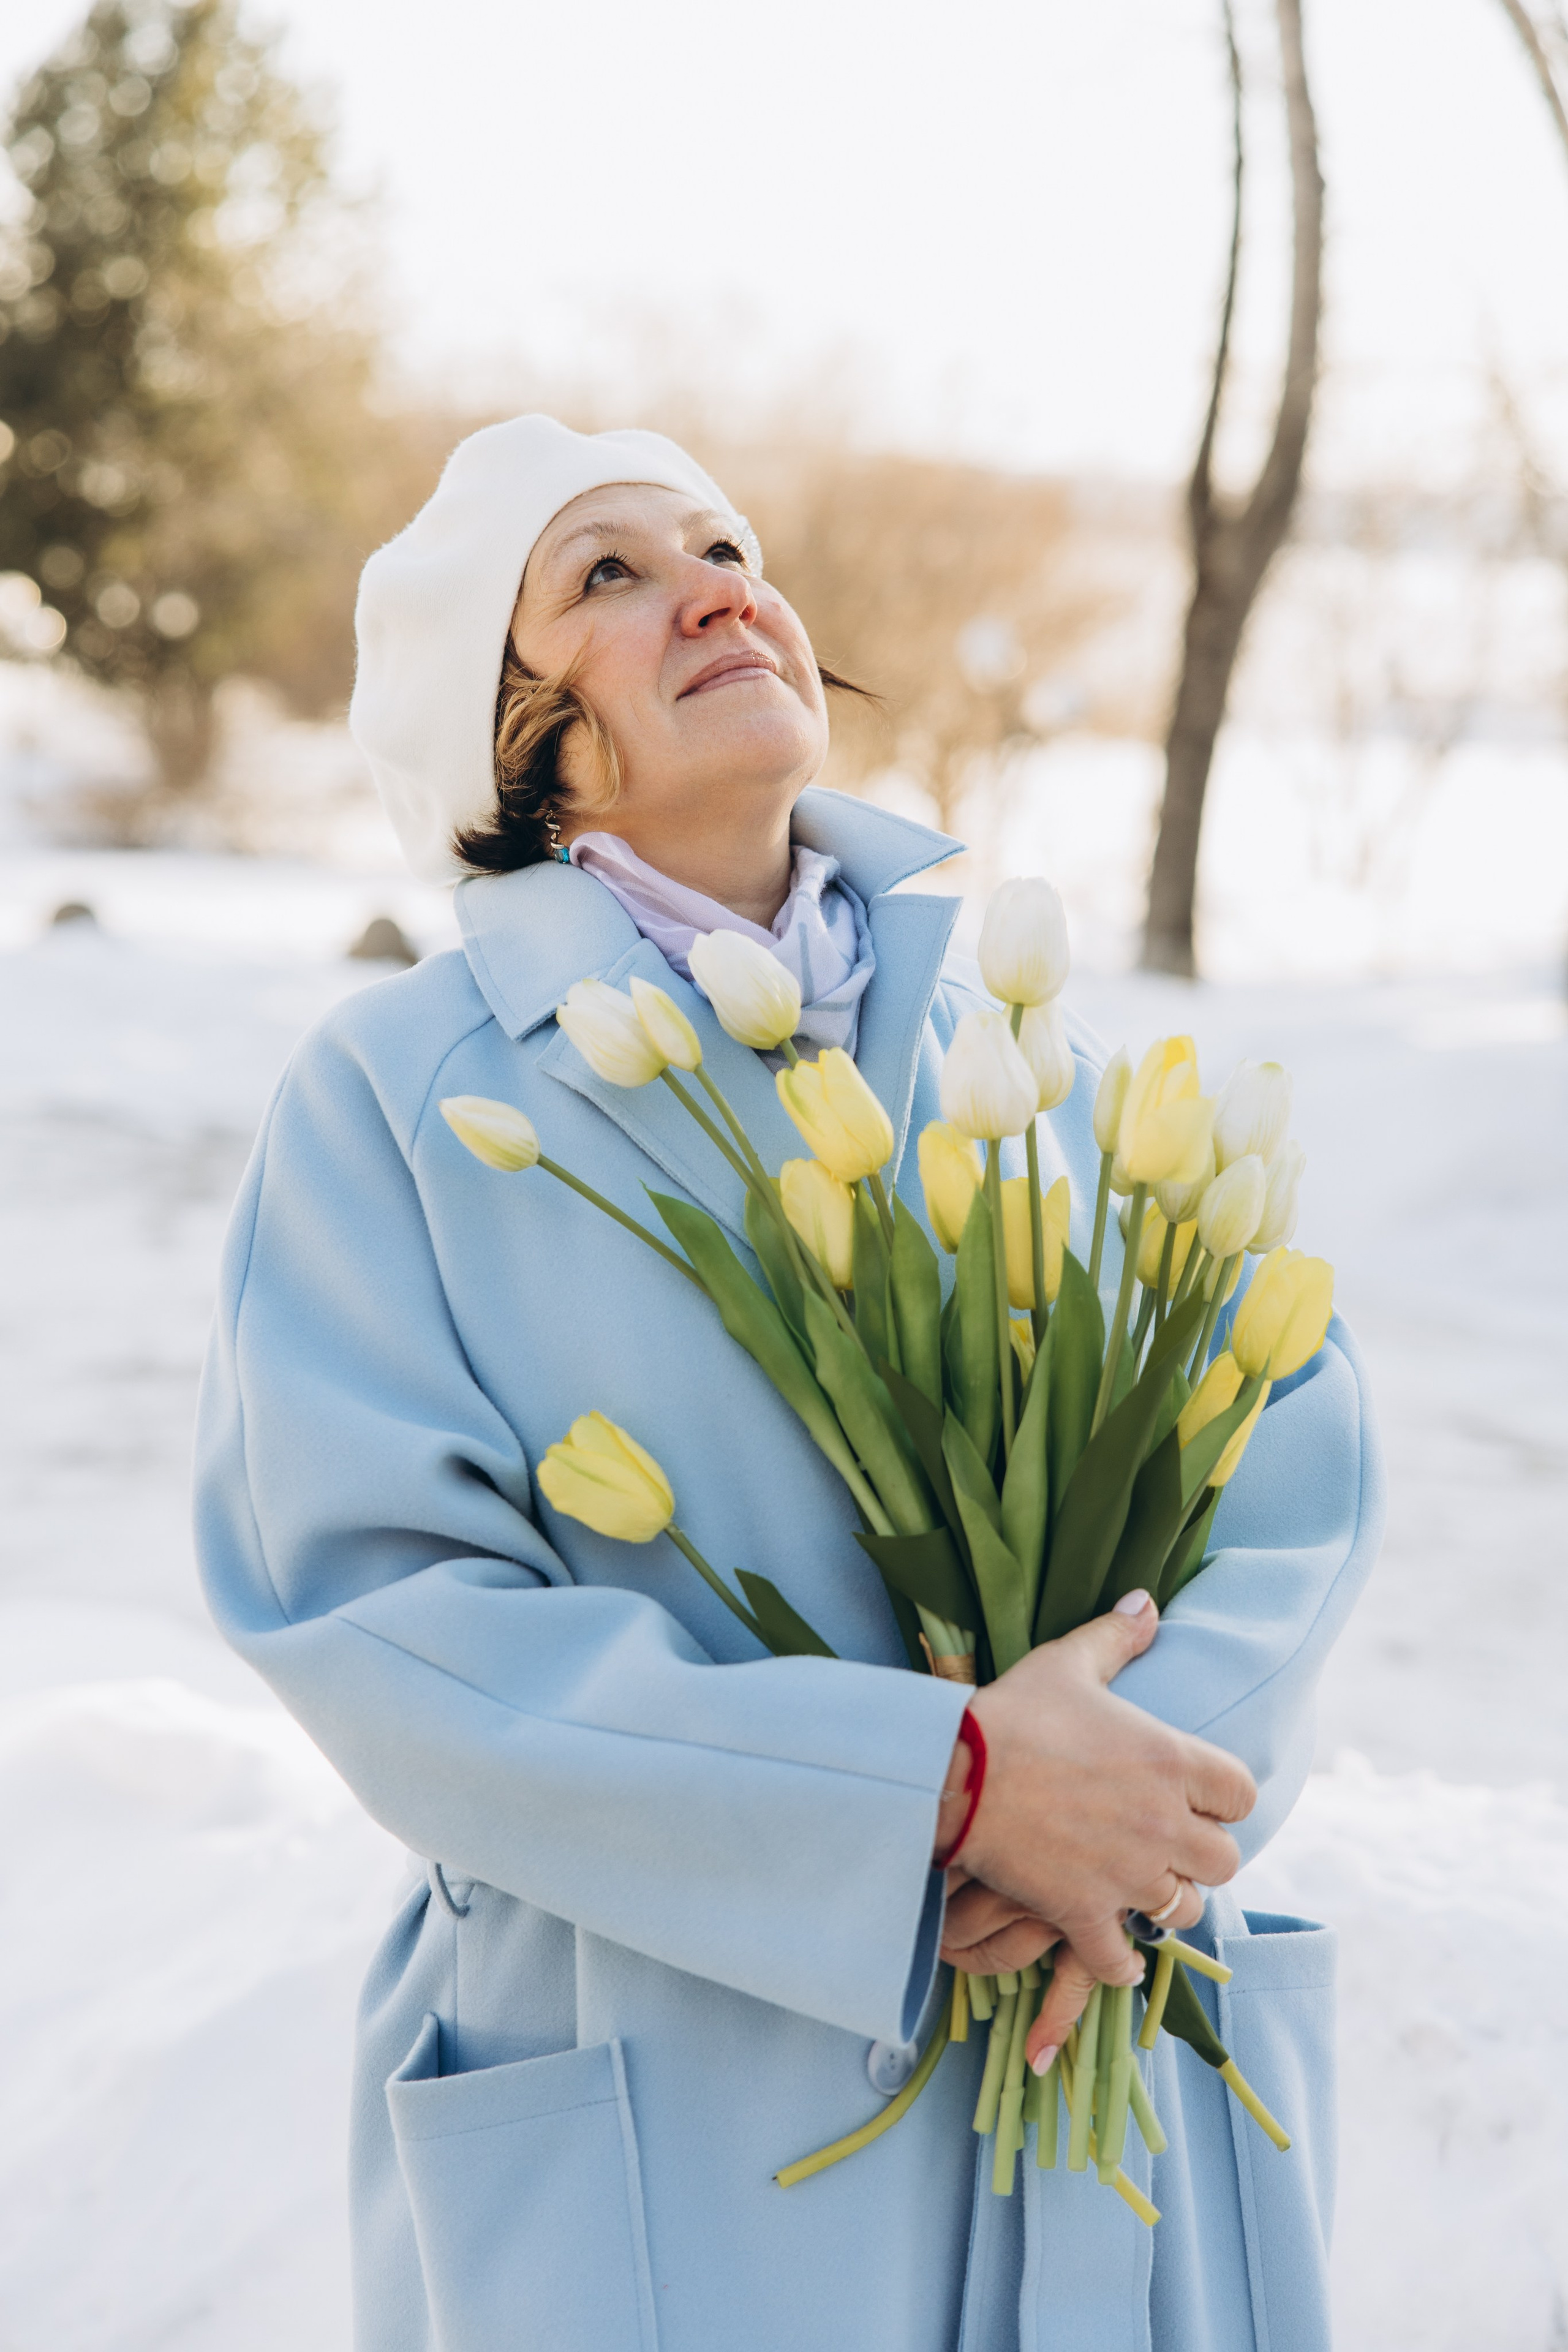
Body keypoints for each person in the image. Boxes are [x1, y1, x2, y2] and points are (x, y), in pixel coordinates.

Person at [195, 416, 1382, 2352]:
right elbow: (380, 1625)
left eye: (727, 543)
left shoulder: (1033, 1050)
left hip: (1101, 2026)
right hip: (683, 2134)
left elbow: (1291, 1451)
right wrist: (941, 1793)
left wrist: (1136, 1808)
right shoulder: (404, 1103)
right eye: (608, 573)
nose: (718, 585)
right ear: (508, 734)